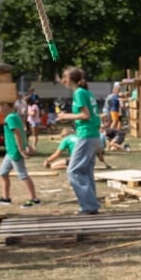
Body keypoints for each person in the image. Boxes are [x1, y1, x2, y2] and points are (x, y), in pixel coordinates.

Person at [55, 67, 102, 215]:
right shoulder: (86, 92)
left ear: (71, 79)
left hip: (86, 134)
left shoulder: (79, 93)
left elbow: (85, 115)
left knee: (73, 171)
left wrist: (65, 116)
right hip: (93, 134)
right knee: (86, 170)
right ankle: (91, 205)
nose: (63, 80)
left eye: (65, 77)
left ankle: (89, 206)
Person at [0, 102, 41, 208]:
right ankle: (5, 198)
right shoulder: (14, 116)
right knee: (3, 173)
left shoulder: (10, 118)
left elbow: (18, 133)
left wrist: (21, 149)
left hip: (14, 151)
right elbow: (22, 132)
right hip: (10, 151)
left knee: (23, 175)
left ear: (5, 105)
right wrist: (27, 145)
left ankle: (34, 199)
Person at [43, 126, 113, 170]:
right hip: (88, 160)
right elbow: (97, 149)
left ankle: (74, 167)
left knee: (53, 166)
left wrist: (47, 160)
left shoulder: (66, 139)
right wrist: (103, 160)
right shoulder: (80, 137)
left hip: (76, 159)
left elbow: (56, 154)